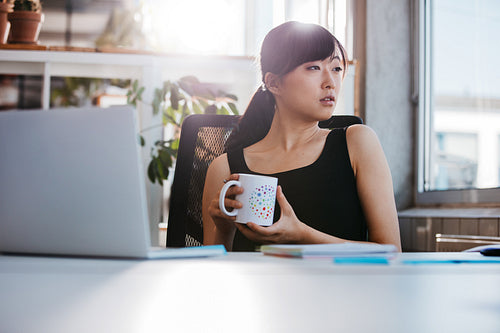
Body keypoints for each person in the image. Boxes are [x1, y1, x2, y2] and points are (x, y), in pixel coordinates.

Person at [202, 21, 401, 252]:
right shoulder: (225, 168)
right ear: (274, 82)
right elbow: (214, 274)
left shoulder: (357, 143)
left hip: (342, 288)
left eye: (336, 68)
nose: (330, 82)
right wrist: (224, 230)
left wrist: (301, 235)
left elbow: (392, 252)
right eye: (314, 68)